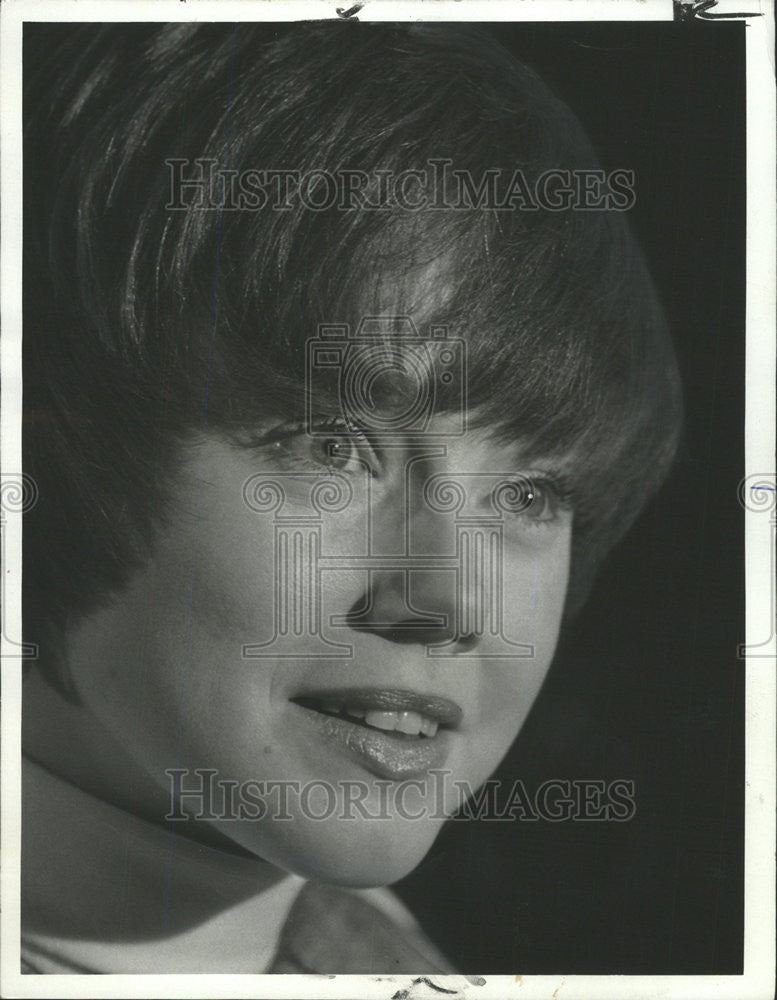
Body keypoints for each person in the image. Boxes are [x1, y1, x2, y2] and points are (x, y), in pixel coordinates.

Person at [20, 21, 682, 974]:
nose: (451, 605)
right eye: (334, 446)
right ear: (53, 435)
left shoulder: (387, 951)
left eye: (530, 493)